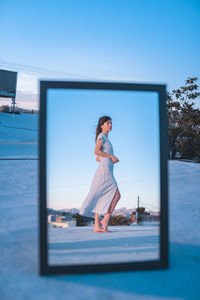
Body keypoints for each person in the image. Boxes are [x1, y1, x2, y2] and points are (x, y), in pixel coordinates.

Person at [79, 116, 121, 232]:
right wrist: (111, 156)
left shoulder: (106, 139)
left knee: (100, 195)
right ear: (102, 125)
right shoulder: (101, 136)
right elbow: (96, 151)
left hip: (105, 169)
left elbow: (98, 158)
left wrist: (108, 160)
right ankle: (106, 219)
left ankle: (97, 226)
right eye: (107, 123)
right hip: (104, 172)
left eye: (111, 123)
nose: (110, 125)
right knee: (117, 195)